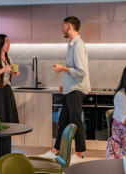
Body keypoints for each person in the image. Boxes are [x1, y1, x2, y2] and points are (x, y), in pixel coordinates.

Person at [40, 16, 91, 161]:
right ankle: (56, 150)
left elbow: (81, 72)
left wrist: (62, 68)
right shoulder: (71, 44)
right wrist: (64, 82)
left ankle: (79, 153)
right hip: (70, 88)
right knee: (63, 121)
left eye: (63, 26)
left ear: (69, 27)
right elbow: (73, 68)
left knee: (75, 121)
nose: (62, 29)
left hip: (76, 89)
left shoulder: (78, 45)